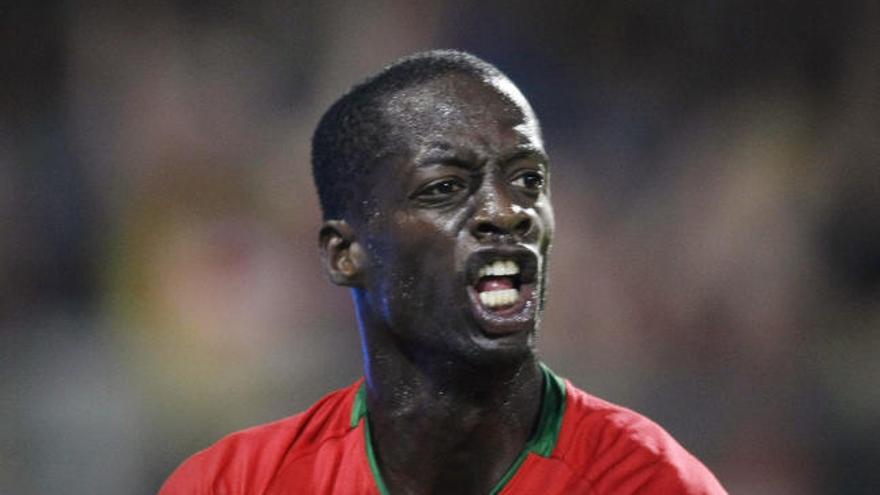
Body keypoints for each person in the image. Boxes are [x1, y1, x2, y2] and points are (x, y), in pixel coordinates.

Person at [159, 50, 726, 494]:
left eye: (528, 180)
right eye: (445, 188)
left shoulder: (651, 483)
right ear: (344, 254)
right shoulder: (233, 485)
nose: (508, 212)